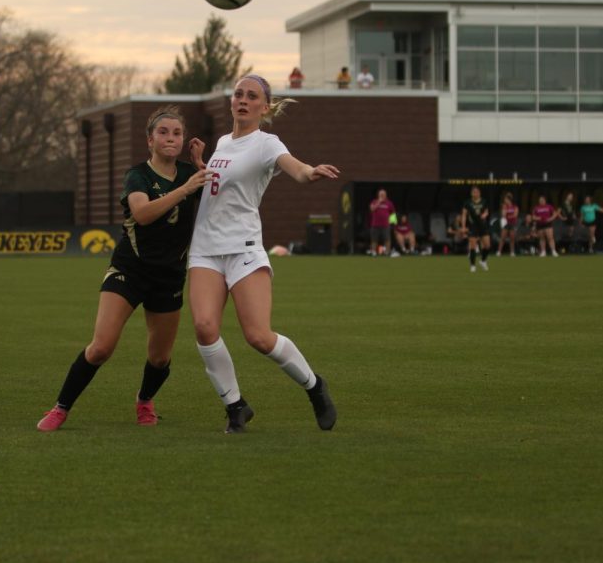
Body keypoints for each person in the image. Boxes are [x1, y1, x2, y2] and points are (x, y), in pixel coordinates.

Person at [37, 106, 210, 432]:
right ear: (150, 140)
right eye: (163, 132)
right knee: (101, 346)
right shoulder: (138, 175)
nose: (170, 138)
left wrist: (201, 166)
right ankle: (60, 408)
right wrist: (186, 189)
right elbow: (142, 213)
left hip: (169, 275)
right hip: (129, 270)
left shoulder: (190, 173)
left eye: (176, 133)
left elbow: (224, 191)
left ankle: (145, 400)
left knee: (160, 358)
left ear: (183, 139)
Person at [188, 73, 338, 433]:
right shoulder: (223, 142)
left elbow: (295, 168)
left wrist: (309, 172)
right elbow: (219, 187)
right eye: (238, 94)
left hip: (244, 248)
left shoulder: (267, 143)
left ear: (264, 107)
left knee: (258, 336)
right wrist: (200, 164)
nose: (242, 100)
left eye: (251, 96)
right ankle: (235, 407)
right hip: (205, 248)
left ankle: (314, 386)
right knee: (205, 327)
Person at [460, 186, 490, 272]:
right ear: (471, 193)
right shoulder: (467, 202)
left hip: (483, 225)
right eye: (473, 192)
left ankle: (483, 261)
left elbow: (486, 211)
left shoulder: (484, 201)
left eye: (477, 192)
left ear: (479, 193)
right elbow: (464, 215)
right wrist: (463, 227)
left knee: (487, 246)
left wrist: (485, 214)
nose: (475, 193)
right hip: (473, 226)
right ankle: (473, 266)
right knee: (472, 246)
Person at [369, 188, 396, 256]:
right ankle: (373, 252)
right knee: (374, 240)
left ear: (386, 195)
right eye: (381, 194)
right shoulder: (374, 201)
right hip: (375, 225)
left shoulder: (389, 203)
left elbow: (393, 213)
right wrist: (379, 202)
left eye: (383, 194)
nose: (382, 195)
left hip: (386, 225)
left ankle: (387, 252)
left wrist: (393, 224)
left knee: (387, 239)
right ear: (378, 195)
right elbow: (372, 209)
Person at [496, 192, 519, 257]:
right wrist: (505, 209)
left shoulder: (515, 207)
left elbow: (515, 215)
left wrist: (508, 216)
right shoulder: (504, 207)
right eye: (504, 200)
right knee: (502, 238)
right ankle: (499, 252)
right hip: (506, 224)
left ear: (509, 200)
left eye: (506, 199)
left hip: (512, 224)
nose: (505, 201)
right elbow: (503, 215)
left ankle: (512, 252)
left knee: (512, 239)